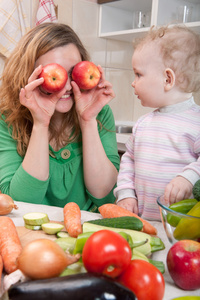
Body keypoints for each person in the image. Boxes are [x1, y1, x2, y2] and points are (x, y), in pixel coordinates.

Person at [0, 22, 120, 212]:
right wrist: (41, 123)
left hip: (87, 231)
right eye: (55, 73)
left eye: (73, 73)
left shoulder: (100, 113)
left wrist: (88, 121)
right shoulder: (6, 119)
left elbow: (106, 198)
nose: (66, 86)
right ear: (28, 75)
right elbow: (18, 203)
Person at [114, 25, 200, 220]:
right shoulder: (143, 123)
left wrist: (189, 177)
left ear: (168, 79)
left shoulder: (197, 122)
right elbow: (129, 160)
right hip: (144, 220)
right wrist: (126, 194)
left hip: (181, 228)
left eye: (138, 74)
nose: (133, 82)